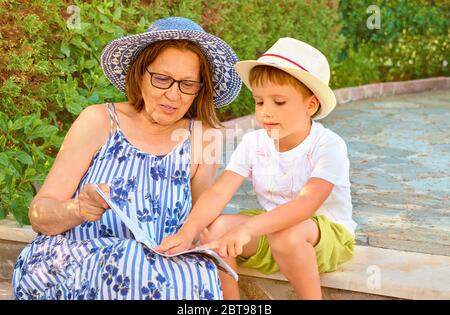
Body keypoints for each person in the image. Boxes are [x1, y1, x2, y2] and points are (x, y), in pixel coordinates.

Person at [12, 16, 242, 300]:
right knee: (126, 261)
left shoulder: (202, 137)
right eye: (162, 79)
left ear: (200, 89)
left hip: (157, 272)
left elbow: (203, 222)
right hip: (73, 264)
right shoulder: (98, 121)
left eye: (187, 84)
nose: (173, 95)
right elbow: (39, 215)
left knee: (191, 275)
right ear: (139, 74)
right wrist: (78, 209)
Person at [157, 37, 357, 300]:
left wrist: (249, 229)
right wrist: (188, 232)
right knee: (216, 229)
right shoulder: (253, 142)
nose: (265, 112)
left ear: (311, 105)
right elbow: (219, 192)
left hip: (326, 238)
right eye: (260, 102)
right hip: (272, 232)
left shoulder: (328, 145)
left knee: (286, 233)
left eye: (279, 102)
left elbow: (305, 206)